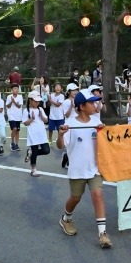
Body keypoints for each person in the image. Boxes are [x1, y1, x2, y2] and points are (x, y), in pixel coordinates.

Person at [57, 89, 111, 248]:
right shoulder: (70, 124)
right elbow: (60, 146)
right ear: (81, 106)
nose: (95, 105)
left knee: (98, 195)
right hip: (77, 170)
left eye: (96, 102)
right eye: (91, 102)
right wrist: (60, 135)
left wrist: (104, 131)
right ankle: (66, 219)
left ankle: (103, 234)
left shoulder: (96, 122)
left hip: (94, 169)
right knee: (75, 198)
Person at [23, 90, 50, 176]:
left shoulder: (40, 109)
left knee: (46, 150)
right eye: (35, 101)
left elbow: (46, 120)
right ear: (30, 100)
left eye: (38, 101)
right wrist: (31, 119)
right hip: (33, 134)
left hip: (41, 133)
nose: (37, 103)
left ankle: (30, 152)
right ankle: (33, 170)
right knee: (34, 152)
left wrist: (42, 116)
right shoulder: (26, 110)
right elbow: (25, 123)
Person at [6, 83, 24, 151]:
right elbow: (8, 106)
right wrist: (11, 101)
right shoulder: (9, 97)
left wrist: (14, 102)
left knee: (17, 131)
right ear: (12, 90)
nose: (16, 90)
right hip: (11, 116)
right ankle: (12, 143)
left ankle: (16, 144)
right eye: (14, 88)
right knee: (14, 129)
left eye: (17, 88)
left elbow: (19, 106)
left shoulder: (20, 97)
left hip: (18, 116)